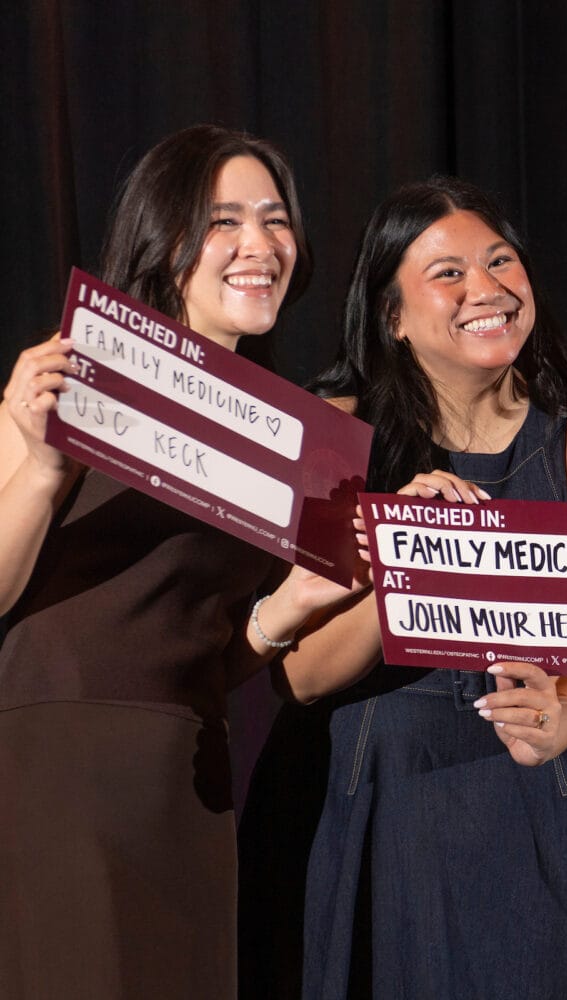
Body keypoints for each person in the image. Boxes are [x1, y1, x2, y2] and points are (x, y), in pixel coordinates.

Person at [237, 177, 567, 1000]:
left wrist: (562, 719)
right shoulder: (337, 433)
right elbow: (305, 674)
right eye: (449, 273)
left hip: (526, 795)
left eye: (501, 262)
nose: (487, 289)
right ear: (391, 314)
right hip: (367, 800)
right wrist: (409, 563)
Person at [0, 124, 352, 995]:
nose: (259, 245)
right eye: (225, 220)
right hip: (62, 764)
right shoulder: (72, 369)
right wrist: (44, 469)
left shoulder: (288, 438)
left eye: (276, 220)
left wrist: (287, 612)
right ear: (167, 237)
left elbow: (211, 649)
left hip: (190, 775)